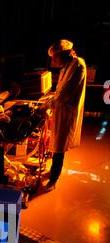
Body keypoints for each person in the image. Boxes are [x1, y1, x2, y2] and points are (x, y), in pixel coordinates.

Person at [44, 39, 87, 191]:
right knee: (57, 143)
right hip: (61, 109)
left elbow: (65, 93)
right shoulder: (68, 65)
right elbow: (60, 90)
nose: (53, 60)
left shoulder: (77, 66)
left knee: (59, 145)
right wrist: (50, 99)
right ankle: (53, 172)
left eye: (55, 57)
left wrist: (48, 105)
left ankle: (54, 179)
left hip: (67, 111)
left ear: (64, 54)